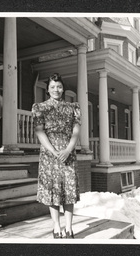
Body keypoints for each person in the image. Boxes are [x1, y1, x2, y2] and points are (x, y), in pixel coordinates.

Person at [31, 73, 81, 239]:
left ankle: (69, 228)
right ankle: (57, 226)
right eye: (52, 87)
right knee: (53, 191)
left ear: (63, 88)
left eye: (59, 86)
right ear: (47, 89)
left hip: (68, 153)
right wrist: (53, 151)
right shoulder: (40, 107)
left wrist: (68, 150)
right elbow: (40, 132)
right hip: (49, 154)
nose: (56, 90)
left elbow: (76, 131)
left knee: (69, 190)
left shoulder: (73, 107)